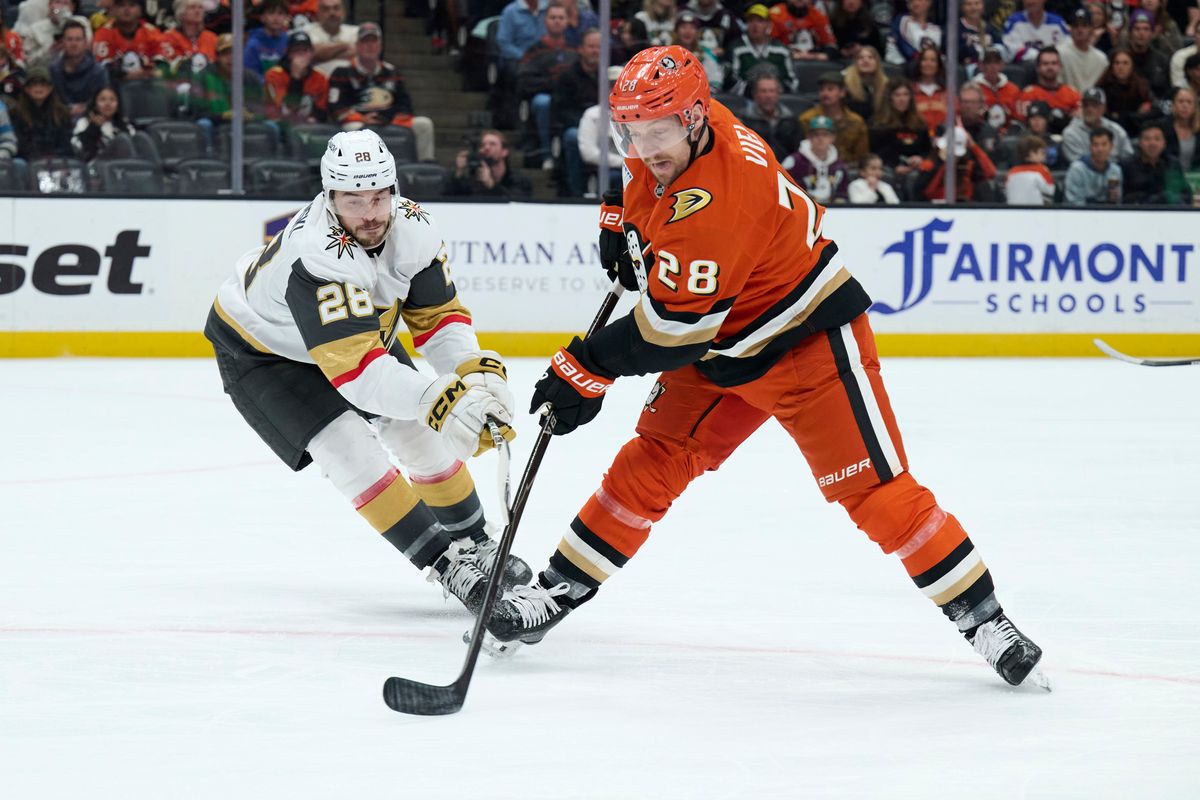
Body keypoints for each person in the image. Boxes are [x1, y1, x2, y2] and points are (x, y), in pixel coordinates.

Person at [481, 45, 1046, 694]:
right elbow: (645, 173)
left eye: (655, 133)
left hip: (804, 343)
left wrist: (587, 366)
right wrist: (620, 213)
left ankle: (985, 620)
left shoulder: (720, 201)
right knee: (655, 457)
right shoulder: (684, 122)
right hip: (723, 341)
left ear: (694, 119)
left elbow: (669, 332)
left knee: (877, 496)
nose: (642, 146)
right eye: (630, 133)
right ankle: (555, 593)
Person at [203, 129, 530, 623]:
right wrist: (444, 399)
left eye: (379, 196)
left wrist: (471, 375)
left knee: (417, 429)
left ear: (395, 190)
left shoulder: (415, 226)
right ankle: (447, 567)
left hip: (355, 335)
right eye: (353, 199)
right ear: (330, 196)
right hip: (264, 350)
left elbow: (439, 318)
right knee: (347, 446)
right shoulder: (317, 253)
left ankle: (475, 544)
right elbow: (360, 376)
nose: (371, 212)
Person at [328, 23, 435, 162]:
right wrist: (363, 119)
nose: (370, 46)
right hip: (357, 121)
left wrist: (384, 118)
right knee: (354, 130)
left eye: (373, 41)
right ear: (357, 46)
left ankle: (425, 168)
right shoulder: (342, 72)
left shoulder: (392, 72)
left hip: (389, 119)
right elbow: (335, 106)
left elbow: (405, 105)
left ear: (380, 45)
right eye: (365, 41)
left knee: (424, 124)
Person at [518, 1, 575, 169]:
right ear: (545, 21)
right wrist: (553, 83)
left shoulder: (575, 51)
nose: (557, 21)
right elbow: (524, 82)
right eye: (553, 17)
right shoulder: (534, 50)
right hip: (545, 98)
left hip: (571, 99)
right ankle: (546, 154)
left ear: (567, 21)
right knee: (542, 102)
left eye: (560, 17)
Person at [552, 28, 601, 197]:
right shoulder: (567, 77)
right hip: (578, 125)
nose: (595, 51)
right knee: (572, 137)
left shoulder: (608, 76)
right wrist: (585, 125)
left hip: (606, 127)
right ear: (580, 49)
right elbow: (560, 110)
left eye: (599, 47)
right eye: (591, 46)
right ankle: (576, 192)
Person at [724, 4, 797, 95]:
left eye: (760, 21)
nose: (755, 25)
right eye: (751, 21)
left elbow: (792, 82)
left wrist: (773, 92)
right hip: (745, 101)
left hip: (777, 99)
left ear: (769, 25)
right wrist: (756, 92)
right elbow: (729, 82)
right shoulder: (735, 48)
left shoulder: (781, 50)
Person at [913, 124, 998, 202]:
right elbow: (923, 193)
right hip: (935, 208)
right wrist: (943, 168)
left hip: (964, 209)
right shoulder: (931, 164)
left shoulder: (968, 164)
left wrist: (973, 146)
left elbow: (991, 173)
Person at [799, 70, 868, 164]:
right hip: (813, 168)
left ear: (842, 92)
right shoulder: (807, 119)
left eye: (830, 89)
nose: (825, 94)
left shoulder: (856, 122)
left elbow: (862, 157)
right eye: (822, 90)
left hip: (849, 170)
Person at [264, 29, 328, 127]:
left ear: (311, 53)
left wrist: (314, 119)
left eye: (305, 50)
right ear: (289, 54)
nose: (301, 54)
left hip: (309, 126)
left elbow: (322, 110)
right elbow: (285, 109)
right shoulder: (274, 75)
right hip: (280, 124)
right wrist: (296, 76)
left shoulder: (319, 77)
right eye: (296, 51)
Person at [870, 76, 931, 178]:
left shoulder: (920, 123)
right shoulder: (877, 124)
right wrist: (894, 166)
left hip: (916, 168)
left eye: (905, 95)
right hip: (887, 168)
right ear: (889, 98)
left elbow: (927, 150)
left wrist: (920, 158)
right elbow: (876, 153)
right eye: (897, 95)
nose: (902, 99)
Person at [92, 0, 165, 83]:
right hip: (115, 86)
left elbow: (163, 64)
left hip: (149, 85)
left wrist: (149, 72)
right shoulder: (103, 33)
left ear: (140, 10)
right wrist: (126, 75)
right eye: (121, 5)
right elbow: (102, 67)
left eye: (132, 5)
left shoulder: (152, 32)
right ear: (113, 10)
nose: (126, 9)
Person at [782, 113, 849, 203]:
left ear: (832, 138)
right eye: (816, 135)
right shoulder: (793, 162)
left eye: (825, 134)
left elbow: (842, 195)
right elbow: (783, 191)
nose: (820, 138)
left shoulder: (839, 166)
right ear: (809, 137)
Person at [448, 128, 533, 198]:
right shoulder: (473, 178)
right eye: (482, 145)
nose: (486, 148)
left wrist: (491, 184)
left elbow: (518, 202)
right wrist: (458, 173)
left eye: (492, 144)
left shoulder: (519, 180)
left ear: (504, 151)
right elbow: (450, 198)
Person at [1121, 122, 1192, 204]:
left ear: (1164, 143)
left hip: (1169, 212)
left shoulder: (1172, 163)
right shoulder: (1127, 165)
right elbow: (1123, 197)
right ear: (1140, 143)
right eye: (1147, 139)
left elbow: (1184, 193)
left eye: (1157, 139)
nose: (1152, 143)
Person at [11, 66, 74, 160]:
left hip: (58, 161)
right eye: (33, 84)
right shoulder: (15, 113)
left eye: (43, 84)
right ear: (26, 89)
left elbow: (66, 143)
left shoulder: (62, 113)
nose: (38, 88)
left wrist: (54, 157)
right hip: (28, 162)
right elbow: (19, 143)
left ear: (50, 88)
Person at [50, 18, 108, 119]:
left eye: (78, 39)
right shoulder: (53, 70)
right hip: (61, 119)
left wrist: (85, 108)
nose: (74, 44)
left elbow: (104, 99)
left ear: (86, 43)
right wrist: (68, 109)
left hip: (92, 118)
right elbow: (52, 101)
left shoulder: (98, 71)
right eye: (69, 39)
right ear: (62, 42)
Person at [1060, 87, 1133, 163]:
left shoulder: (1116, 130)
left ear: (1104, 108)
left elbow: (1129, 159)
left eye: (1094, 105)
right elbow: (1078, 165)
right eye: (1086, 105)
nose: (1089, 109)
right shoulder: (1071, 133)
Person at [740, 72, 802, 159]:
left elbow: (797, 152)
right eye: (763, 91)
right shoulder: (743, 121)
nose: (768, 96)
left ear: (778, 94)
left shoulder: (790, 120)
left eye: (772, 91)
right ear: (755, 95)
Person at [1018, 46, 1080, 133]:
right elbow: (1022, 123)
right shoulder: (1028, 94)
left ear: (1060, 66)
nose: (1050, 67)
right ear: (1037, 67)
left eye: (1054, 63)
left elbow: (1080, 121)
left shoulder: (1072, 93)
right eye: (1045, 64)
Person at [1096, 48, 1155, 135]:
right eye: (1117, 63)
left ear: (1132, 66)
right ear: (1111, 66)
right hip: (1109, 131)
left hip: (1136, 131)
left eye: (1125, 63)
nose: (1121, 67)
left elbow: (1152, 107)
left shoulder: (1142, 86)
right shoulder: (1102, 87)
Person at [70, 83, 134, 159]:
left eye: (112, 100)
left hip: (124, 165)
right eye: (102, 100)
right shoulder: (84, 122)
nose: (108, 104)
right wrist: (93, 128)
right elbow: (78, 148)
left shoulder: (125, 124)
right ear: (95, 104)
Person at [23, 0, 92, 69]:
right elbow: (28, 64)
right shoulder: (35, 30)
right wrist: (49, 52)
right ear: (50, 5)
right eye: (57, 2)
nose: (61, 7)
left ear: (72, 7)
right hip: (48, 74)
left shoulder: (82, 23)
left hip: (79, 72)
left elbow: (88, 53)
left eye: (65, 3)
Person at [1064, 127, 1122, 205]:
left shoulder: (1115, 170)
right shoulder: (1077, 169)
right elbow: (1074, 203)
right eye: (1095, 145)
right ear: (1090, 147)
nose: (1100, 149)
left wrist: (1113, 198)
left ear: (1111, 147)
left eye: (1104, 144)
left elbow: (1118, 203)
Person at [160, 0, 218, 76]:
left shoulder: (212, 37)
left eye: (200, 8)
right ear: (180, 13)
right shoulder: (168, 37)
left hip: (208, 85)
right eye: (192, 7)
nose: (198, 11)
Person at [1056, 8, 1107, 93]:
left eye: (1084, 25)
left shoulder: (1101, 59)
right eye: (1076, 26)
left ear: (1091, 29)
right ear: (1070, 29)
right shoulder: (1059, 53)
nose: (1080, 29)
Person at [769, 0, 837, 62]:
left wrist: (814, 56)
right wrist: (790, 54)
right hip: (784, 59)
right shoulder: (775, 15)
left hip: (814, 61)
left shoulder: (818, 15)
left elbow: (830, 45)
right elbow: (769, 44)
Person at [1126, 9, 1172, 100]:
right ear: (1130, 32)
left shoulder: (1162, 60)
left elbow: (1168, 92)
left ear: (1152, 33)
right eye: (1137, 29)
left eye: (1146, 29)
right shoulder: (1121, 59)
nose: (1141, 33)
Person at [1002, 0, 1068, 63]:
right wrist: (1040, 57)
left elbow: (1066, 48)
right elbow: (1011, 50)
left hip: (1054, 66)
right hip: (1025, 67)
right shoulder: (1014, 22)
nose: (1030, 2)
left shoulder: (1057, 23)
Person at [973, 46, 1022, 130]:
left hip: (1008, 132)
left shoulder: (1013, 89)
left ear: (1002, 65)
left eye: (996, 62)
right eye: (988, 62)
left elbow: (1019, 118)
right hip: (981, 131)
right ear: (981, 66)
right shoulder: (973, 89)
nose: (993, 66)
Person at [303, 0, 357, 76]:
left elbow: (359, 52)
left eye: (336, 8)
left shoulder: (355, 32)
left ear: (343, 11)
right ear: (318, 13)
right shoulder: (307, 31)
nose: (332, 13)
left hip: (349, 83)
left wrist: (322, 55)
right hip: (318, 84)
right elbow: (311, 53)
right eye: (326, 9)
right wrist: (344, 45)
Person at [243, 0, 290, 79]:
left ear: (286, 17)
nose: (276, 18)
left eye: (280, 13)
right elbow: (250, 76)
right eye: (271, 13)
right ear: (262, 17)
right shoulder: (253, 44)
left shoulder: (289, 41)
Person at [1004, 134, 1055, 205]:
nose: (1044, 156)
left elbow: (1007, 192)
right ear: (1031, 154)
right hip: (1037, 212)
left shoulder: (1011, 172)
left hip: (1013, 212)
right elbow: (1051, 191)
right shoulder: (1042, 170)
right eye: (1042, 153)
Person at [842, 44, 887, 120]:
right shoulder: (844, 82)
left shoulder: (885, 84)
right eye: (861, 58)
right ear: (855, 63)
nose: (866, 61)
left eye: (871, 57)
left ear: (877, 63)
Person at [888, 0, 941, 64]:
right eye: (912, 0)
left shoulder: (936, 30)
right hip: (899, 66)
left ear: (929, 2)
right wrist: (917, 56)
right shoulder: (902, 20)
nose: (915, 2)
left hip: (926, 68)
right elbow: (900, 42)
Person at [909, 42, 946, 130]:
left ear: (938, 65)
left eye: (933, 60)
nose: (928, 64)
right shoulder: (909, 91)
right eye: (924, 60)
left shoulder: (947, 93)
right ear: (919, 63)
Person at [958, 0, 1002, 66]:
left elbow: (1001, 49)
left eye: (977, 3)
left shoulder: (990, 29)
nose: (974, 8)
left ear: (983, 6)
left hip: (988, 69)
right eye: (969, 4)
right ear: (962, 7)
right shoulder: (954, 28)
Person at [1165, 86, 1198, 171]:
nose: (1184, 105)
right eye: (1180, 101)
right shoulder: (1163, 127)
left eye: (1189, 102)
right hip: (1169, 177)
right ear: (1173, 105)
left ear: (1195, 107)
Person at [1023, 100, 1064, 168]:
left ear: (1047, 119)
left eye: (1040, 117)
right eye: (1033, 118)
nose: (1036, 121)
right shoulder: (1022, 142)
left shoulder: (1054, 142)